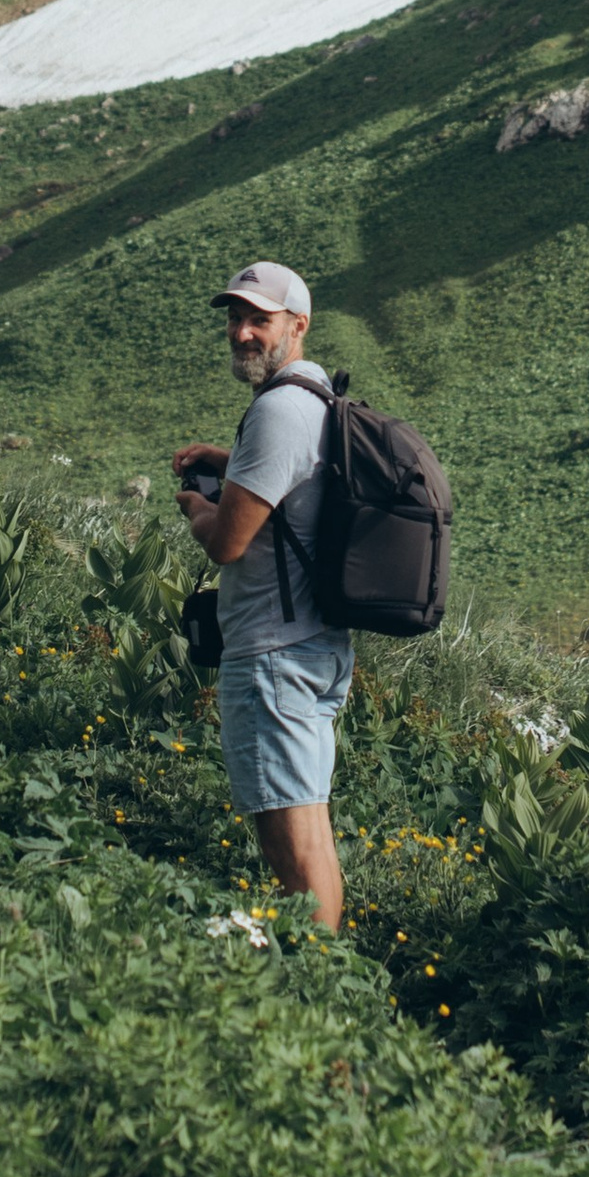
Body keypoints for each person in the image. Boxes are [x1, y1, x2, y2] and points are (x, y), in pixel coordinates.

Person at [175, 261, 352, 929]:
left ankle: (316, 988)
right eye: (235, 318)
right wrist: (230, 462)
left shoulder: (278, 411)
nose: (242, 333)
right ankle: (326, 978)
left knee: (292, 839)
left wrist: (197, 507)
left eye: (260, 320)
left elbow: (228, 543)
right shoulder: (315, 397)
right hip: (312, 641)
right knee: (306, 826)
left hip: (275, 652)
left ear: (297, 326)